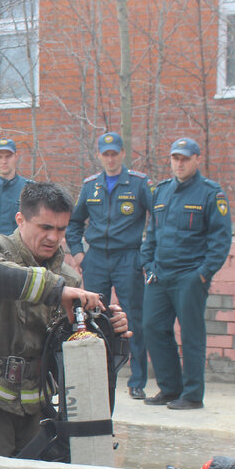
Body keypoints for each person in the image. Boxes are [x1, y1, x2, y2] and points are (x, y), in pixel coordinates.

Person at [0, 182, 128, 458]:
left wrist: (105, 330)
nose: (54, 237)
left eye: (61, 229)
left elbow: (65, 348)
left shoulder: (69, 279)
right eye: (45, 227)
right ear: (21, 220)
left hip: (36, 414)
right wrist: (56, 291)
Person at [140, 138, 233, 410]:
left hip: (190, 276)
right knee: (152, 327)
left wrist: (202, 274)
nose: (179, 163)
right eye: (175, 158)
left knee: (191, 334)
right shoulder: (162, 191)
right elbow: (153, 233)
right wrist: (148, 263)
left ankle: (192, 395)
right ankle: (170, 389)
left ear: (196, 160)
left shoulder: (210, 193)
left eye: (185, 158)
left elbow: (221, 239)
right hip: (160, 275)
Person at [66, 132, 153, 400]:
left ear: (123, 154)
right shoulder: (91, 185)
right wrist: (79, 253)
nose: (111, 158)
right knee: (94, 315)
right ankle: (99, 374)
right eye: (106, 154)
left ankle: (137, 380)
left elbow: (158, 218)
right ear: (100, 155)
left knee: (132, 316)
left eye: (115, 153)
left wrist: (145, 254)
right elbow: (74, 221)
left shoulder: (139, 184)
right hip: (97, 259)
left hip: (128, 257)